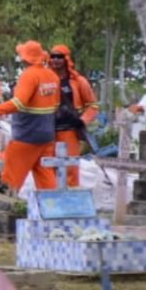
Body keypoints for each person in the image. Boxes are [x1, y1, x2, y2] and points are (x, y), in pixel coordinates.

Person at [0, 40, 60, 192]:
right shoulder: (52, 76)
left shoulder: (29, 75)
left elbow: (17, 104)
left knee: (10, 180)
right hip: (46, 136)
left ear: (25, 58)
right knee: (46, 178)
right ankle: (51, 205)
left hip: (26, 136)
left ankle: (7, 204)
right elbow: (55, 104)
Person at [48, 44, 99, 187]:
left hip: (69, 131)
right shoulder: (44, 80)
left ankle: (71, 197)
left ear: (66, 59)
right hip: (48, 130)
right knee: (48, 167)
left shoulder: (78, 81)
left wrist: (82, 121)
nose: (55, 60)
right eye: (53, 56)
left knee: (70, 168)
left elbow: (93, 106)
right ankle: (51, 199)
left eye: (59, 57)